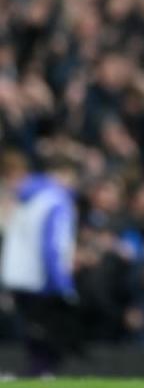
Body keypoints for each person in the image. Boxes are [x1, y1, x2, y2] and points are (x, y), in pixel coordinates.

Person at [0, 155, 79, 376]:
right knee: (49, 329)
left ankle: (37, 371)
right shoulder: (57, 200)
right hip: (43, 277)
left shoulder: (27, 198)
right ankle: (43, 372)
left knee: (33, 329)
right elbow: (52, 244)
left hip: (17, 275)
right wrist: (62, 283)